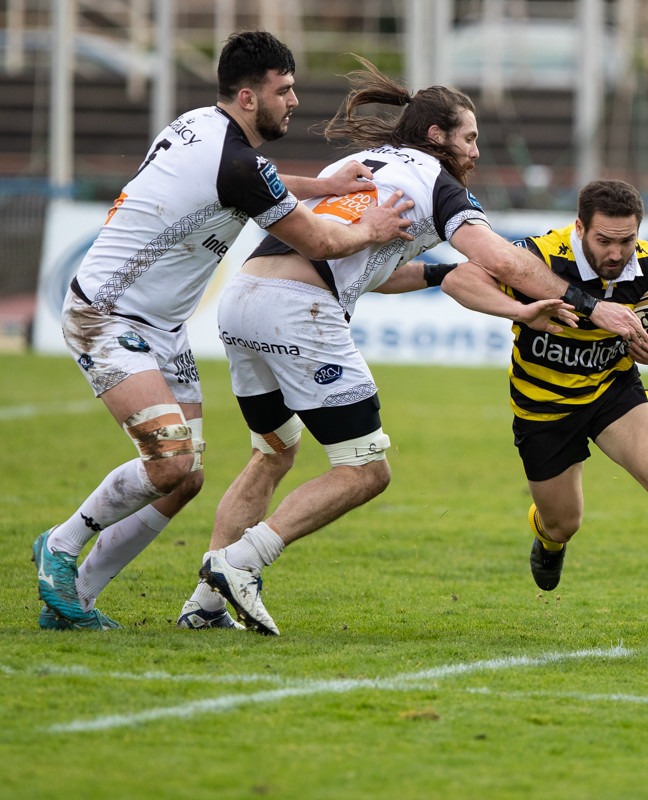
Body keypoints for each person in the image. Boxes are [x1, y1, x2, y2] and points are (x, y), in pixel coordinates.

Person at [179, 59, 645, 635]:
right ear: (437, 137)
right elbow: (498, 258)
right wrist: (593, 305)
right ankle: (238, 563)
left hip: (243, 296)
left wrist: (435, 275)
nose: (475, 151)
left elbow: (363, 262)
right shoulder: (435, 181)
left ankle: (203, 604)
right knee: (365, 471)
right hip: (296, 313)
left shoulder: (357, 166)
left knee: (272, 453)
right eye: (469, 138)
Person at [31, 31, 415, 631]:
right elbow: (319, 241)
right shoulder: (235, 164)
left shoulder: (203, 128)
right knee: (170, 464)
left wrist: (327, 187)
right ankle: (58, 546)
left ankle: (74, 600)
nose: (292, 102)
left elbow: (260, 180)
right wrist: (373, 226)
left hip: (164, 326)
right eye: (282, 91)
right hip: (105, 314)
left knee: (184, 480)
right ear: (246, 96)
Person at [439, 179, 648, 645]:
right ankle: (548, 538)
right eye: (604, 241)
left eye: (626, 240)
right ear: (579, 228)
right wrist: (519, 311)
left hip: (612, 392)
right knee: (565, 522)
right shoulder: (539, 256)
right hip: (544, 406)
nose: (617, 253)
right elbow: (459, 280)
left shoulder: (646, 261)